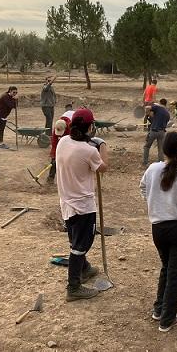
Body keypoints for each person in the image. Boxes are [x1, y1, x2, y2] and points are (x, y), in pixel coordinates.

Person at [139, 131, 177, 332]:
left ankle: (159, 309)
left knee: (167, 268)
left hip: (158, 228)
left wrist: (156, 202)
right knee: (174, 272)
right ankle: (167, 318)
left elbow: (143, 189)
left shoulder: (151, 169)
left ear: (163, 149)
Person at [56, 108, 108, 301]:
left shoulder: (63, 142)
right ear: (90, 127)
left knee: (74, 238)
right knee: (80, 244)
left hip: (67, 202)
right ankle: (74, 287)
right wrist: (102, 146)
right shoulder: (88, 150)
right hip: (83, 205)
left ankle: (84, 269)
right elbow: (103, 168)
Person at [143, 99, 170, 166]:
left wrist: (147, 113)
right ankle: (160, 163)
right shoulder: (167, 113)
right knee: (160, 148)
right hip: (162, 132)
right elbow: (158, 119)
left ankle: (145, 162)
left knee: (147, 146)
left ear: (160, 103)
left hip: (154, 131)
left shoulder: (158, 108)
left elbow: (147, 107)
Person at [48, 117, 71, 183]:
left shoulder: (70, 129)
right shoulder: (57, 127)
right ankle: (50, 178)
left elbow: (71, 143)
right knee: (53, 163)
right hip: (59, 145)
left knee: (67, 163)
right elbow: (54, 144)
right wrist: (54, 156)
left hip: (68, 147)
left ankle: (66, 180)